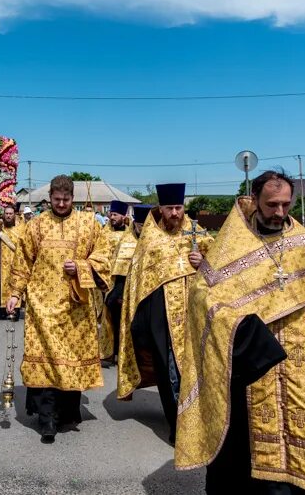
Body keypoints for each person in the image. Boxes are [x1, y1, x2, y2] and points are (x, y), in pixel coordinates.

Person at [174, 171, 305, 493]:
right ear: (254, 201)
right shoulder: (231, 246)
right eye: (271, 204)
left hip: (302, 367)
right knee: (250, 457)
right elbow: (202, 296)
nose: (279, 212)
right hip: (253, 364)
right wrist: (239, 328)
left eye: (286, 204)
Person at [6, 175, 112, 443]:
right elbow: (23, 262)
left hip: (75, 308)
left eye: (66, 200)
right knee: (45, 363)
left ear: (72, 198)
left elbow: (103, 258)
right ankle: (46, 418)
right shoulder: (36, 226)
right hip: (42, 306)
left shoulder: (88, 224)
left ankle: (66, 413)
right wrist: (15, 293)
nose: (61, 204)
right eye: (56, 199)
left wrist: (80, 267)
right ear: (50, 198)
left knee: (69, 361)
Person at [117, 187, 215, 443]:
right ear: (160, 208)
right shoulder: (151, 235)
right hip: (160, 313)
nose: (175, 213)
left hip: (193, 311)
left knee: (194, 366)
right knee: (168, 368)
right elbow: (139, 277)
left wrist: (203, 262)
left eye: (179, 208)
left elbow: (219, 264)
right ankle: (177, 422)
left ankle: (198, 418)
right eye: (170, 208)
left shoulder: (196, 231)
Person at [100, 199, 132, 363]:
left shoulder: (129, 235)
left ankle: (119, 351)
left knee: (119, 317)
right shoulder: (103, 233)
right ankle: (106, 350)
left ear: (124, 216)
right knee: (103, 318)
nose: (112, 217)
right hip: (103, 280)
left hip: (121, 282)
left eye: (115, 214)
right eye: (111, 214)